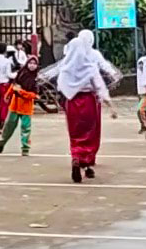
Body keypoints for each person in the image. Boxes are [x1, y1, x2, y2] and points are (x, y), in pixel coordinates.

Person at [42, 31, 119, 183]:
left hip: (72, 103)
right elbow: (100, 86)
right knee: (90, 133)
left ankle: (76, 157)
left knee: (75, 133)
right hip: (89, 102)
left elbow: (60, 85)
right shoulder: (90, 67)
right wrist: (111, 106)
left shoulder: (67, 67)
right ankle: (87, 163)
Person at [0, 56, 40, 156]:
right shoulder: (21, 73)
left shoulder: (36, 79)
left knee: (26, 128)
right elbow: (14, 85)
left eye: (34, 64)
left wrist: (21, 91)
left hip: (26, 107)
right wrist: (8, 94)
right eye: (30, 63)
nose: (32, 65)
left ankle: (25, 148)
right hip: (15, 105)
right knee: (9, 126)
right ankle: (2, 142)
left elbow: (34, 95)